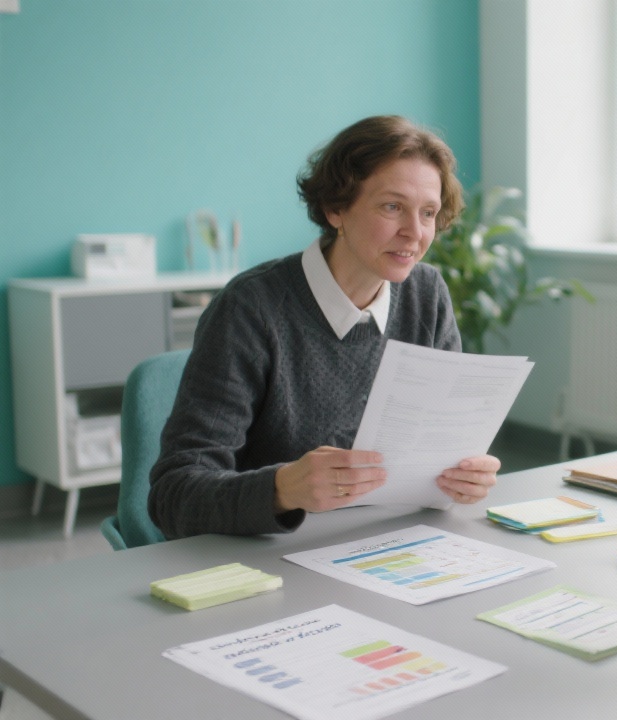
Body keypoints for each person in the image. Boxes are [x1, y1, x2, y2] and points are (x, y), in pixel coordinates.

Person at [149, 115, 501, 539]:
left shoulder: (427, 295)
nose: (414, 232)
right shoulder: (252, 308)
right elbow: (173, 496)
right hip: (268, 554)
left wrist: (465, 475)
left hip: (388, 544)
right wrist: (282, 490)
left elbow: (442, 448)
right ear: (336, 208)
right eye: (392, 207)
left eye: (428, 213)